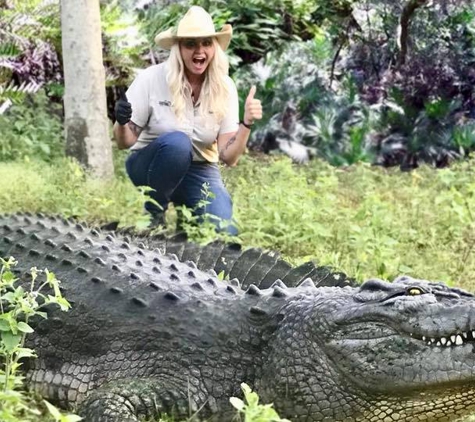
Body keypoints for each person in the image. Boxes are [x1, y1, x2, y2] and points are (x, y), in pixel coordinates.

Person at [113, 6, 262, 235]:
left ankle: (186, 217)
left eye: (206, 43)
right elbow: (125, 141)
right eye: (190, 44)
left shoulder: (225, 87)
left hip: (199, 170)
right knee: (177, 143)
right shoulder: (152, 78)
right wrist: (122, 122)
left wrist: (247, 124)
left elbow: (228, 157)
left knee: (225, 232)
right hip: (150, 165)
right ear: (179, 48)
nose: (199, 50)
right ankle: (155, 212)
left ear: (214, 48)